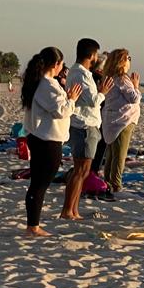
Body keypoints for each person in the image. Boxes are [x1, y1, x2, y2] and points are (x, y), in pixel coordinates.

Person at [21, 47, 84, 236]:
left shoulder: (43, 83)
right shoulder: (46, 84)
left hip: (42, 138)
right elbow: (61, 111)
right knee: (40, 184)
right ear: (56, 64)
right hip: (46, 141)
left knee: (38, 183)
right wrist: (71, 99)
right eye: (62, 64)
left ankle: (33, 225)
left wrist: (67, 96)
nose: (62, 68)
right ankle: (33, 226)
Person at [62, 38, 112, 221]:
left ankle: (73, 209)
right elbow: (92, 100)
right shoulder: (81, 74)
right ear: (91, 55)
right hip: (84, 125)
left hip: (84, 124)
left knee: (81, 171)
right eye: (96, 55)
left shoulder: (80, 72)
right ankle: (68, 210)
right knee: (81, 170)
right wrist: (102, 92)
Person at [101, 50, 142, 192]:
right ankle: (116, 184)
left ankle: (108, 181)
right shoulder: (122, 78)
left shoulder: (109, 76)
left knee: (112, 153)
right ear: (122, 61)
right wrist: (136, 86)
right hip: (122, 120)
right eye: (128, 58)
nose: (130, 61)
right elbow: (134, 98)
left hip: (112, 119)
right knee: (119, 155)